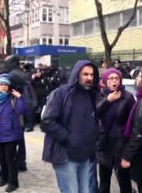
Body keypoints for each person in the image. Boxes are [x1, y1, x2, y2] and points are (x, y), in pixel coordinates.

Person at [41, 60, 100, 193]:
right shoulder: (61, 94)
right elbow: (47, 121)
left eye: (91, 75)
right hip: (65, 155)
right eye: (85, 74)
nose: (89, 78)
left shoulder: (92, 96)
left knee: (86, 190)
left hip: (86, 155)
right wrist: (68, 138)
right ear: (77, 74)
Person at [96, 68, 135, 193]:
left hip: (121, 144)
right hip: (104, 145)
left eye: (116, 78)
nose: (114, 81)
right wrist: (108, 101)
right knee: (104, 182)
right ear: (105, 81)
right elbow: (94, 113)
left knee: (124, 181)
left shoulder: (127, 97)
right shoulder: (100, 96)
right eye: (111, 78)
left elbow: (133, 121)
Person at [0, 74, 29, 192]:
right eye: (1, 84)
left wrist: (20, 97)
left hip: (11, 133)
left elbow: (23, 111)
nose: (3, 87)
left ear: (9, 86)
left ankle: (13, 182)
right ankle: (4, 177)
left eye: (5, 84)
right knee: (2, 158)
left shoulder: (14, 98)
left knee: (10, 159)